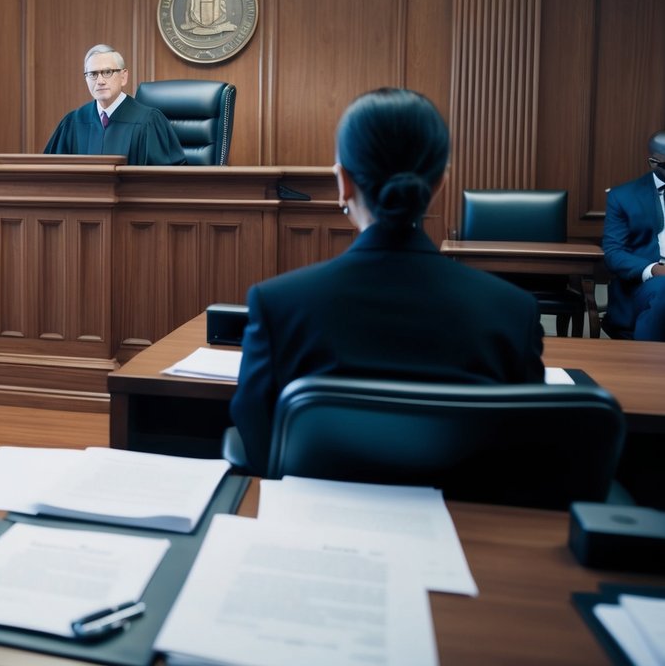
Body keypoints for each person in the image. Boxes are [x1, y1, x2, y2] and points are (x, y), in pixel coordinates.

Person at [230, 88, 546, 476]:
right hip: (465, 528)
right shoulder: (515, 310)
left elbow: (258, 441)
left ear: (343, 183)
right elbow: (525, 449)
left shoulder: (277, 304)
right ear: (439, 185)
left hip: (312, 526)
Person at [43, 44, 187, 166]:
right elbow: (50, 172)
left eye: (107, 72)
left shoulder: (149, 121)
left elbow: (168, 180)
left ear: (123, 77)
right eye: (92, 74)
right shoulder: (73, 122)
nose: (100, 81)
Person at [602, 130, 665, 341]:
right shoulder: (623, 196)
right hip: (649, 281)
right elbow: (613, 252)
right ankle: (647, 368)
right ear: (654, 162)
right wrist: (655, 270)